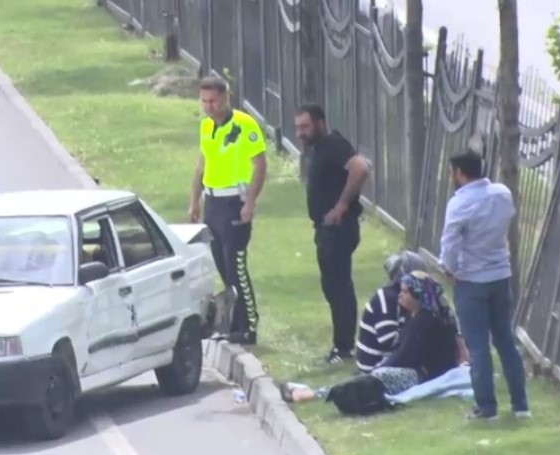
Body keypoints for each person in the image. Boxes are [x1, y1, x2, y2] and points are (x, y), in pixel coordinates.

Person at [439, 150, 530, 420]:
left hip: (471, 280)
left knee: (478, 346)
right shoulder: (502, 194)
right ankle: (520, 404)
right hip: (500, 276)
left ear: (459, 173)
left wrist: (450, 268)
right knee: (505, 341)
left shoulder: (459, 203)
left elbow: (450, 242)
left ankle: (486, 407)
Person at [281, 271, 461, 403]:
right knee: (372, 377)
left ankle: (313, 394)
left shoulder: (424, 321)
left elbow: (405, 356)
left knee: (376, 377)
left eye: (405, 292)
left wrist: (379, 369)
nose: (400, 294)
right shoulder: (422, 316)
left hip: (424, 375)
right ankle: (316, 392)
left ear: (417, 296)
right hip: (422, 371)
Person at [188, 75, 267, 345]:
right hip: (213, 203)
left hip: (235, 203)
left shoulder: (245, 125)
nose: (208, 106)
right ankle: (235, 323)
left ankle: (249, 325)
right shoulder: (207, 126)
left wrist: (250, 202)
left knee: (236, 267)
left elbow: (260, 164)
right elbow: (202, 165)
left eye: (213, 101)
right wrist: (194, 200)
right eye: (204, 101)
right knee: (222, 265)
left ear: (225, 98)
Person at [294, 104, 371, 364]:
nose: (299, 133)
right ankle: (342, 345)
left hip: (338, 229)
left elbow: (360, 168)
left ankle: (344, 347)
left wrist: (341, 206)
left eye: (305, 127)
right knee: (332, 285)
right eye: (297, 128)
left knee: (338, 286)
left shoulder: (333, 144)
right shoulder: (318, 150)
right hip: (325, 229)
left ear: (319, 123)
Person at [355, 250, 428, 373]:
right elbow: (387, 340)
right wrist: (415, 330)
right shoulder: (387, 298)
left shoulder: (405, 299)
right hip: (375, 366)